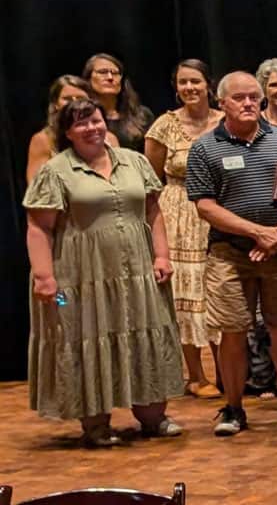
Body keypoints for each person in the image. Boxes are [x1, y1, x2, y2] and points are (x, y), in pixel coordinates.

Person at [24, 98, 184, 445]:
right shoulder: (56, 170)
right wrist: (44, 277)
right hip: (77, 278)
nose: (91, 128)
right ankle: (95, 424)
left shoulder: (134, 161)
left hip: (138, 269)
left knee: (146, 330)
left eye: (95, 120)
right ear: (67, 132)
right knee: (82, 335)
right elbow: (38, 227)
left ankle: (153, 417)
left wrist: (162, 256)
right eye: (81, 123)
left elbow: (154, 211)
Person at [188, 73, 277, 435]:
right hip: (229, 252)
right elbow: (205, 206)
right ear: (221, 103)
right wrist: (257, 233)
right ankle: (233, 408)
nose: (249, 103)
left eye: (254, 97)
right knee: (233, 331)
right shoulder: (205, 147)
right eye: (239, 98)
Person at [144, 59, 224, 399]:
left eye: (196, 81)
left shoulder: (225, 121)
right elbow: (150, 179)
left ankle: (227, 372)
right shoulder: (164, 125)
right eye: (183, 82)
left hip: (220, 207)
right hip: (177, 212)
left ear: (209, 84)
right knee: (186, 296)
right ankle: (195, 374)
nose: (190, 88)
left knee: (219, 292)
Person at [27, 76, 119, 180]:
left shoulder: (109, 138)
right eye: (67, 99)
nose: (74, 103)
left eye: (81, 98)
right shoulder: (43, 140)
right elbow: (37, 186)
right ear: (56, 104)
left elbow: (120, 177)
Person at [84, 53, 154, 148]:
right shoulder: (81, 116)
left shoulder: (142, 115)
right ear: (89, 78)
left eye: (115, 73)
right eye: (103, 72)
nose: (110, 77)